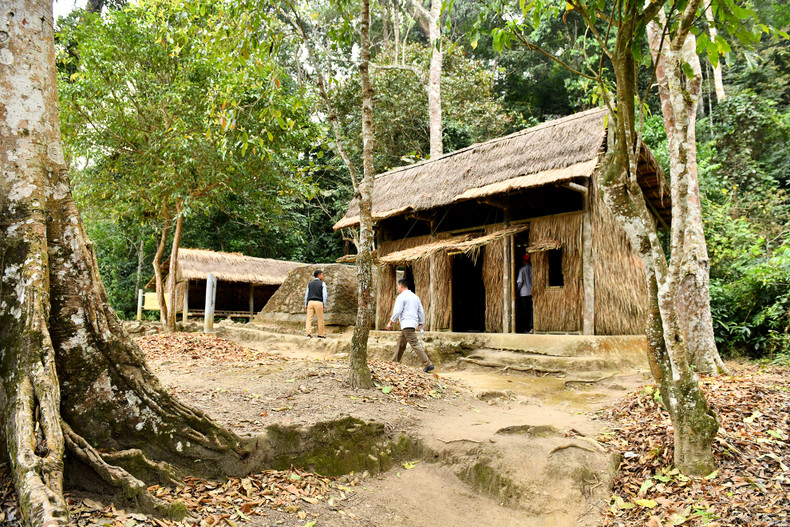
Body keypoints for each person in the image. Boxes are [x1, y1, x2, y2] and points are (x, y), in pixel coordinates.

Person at [386, 279, 434, 373]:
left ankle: (428, 364)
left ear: (401, 285)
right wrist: (421, 323)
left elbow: (397, 311)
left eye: (398, 286)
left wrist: (390, 322)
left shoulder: (401, 297)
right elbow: (421, 310)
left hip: (406, 323)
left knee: (414, 344)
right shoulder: (415, 297)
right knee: (401, 342)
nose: (397, 288)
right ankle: (394, 362)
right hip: (412, 323)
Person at [304, 269, 327, 339]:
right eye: (322, 275)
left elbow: (306, 295)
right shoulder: (322, 283)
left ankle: (308, 334)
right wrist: (324, 304)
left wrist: (306, 304)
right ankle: (321, 334)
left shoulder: (309, 284)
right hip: (318, 302)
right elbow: (324, 295)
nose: (322, 276)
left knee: (309, 319)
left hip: (310, 302)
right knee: (320, 319)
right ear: (319, 275)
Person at [516, 253, 533, 333]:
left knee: (526, 311)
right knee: (531, 310)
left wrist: (516, 291)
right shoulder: (532, 269)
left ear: (523, 261)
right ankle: (531, 326)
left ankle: (527, 327)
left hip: (524, 293)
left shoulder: (522, 270)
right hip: (532, 292)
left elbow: (520, 282)